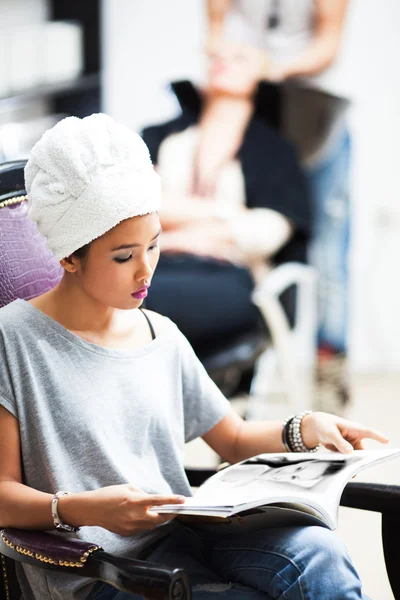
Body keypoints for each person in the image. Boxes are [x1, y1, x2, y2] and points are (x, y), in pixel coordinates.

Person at [0, 113, 388, 600]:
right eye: (124, 256)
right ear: (69, 257)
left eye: (155, 245)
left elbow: (234, 437)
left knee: (318, 554)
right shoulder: (13, 339)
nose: (146, 270)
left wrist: (304, 429)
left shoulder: (159, 333)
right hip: (98, 567)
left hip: (180, 536)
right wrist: (82, 509)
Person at [206, 0, 352, 400]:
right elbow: (215, 28)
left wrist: (267, 66)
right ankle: (244, 360)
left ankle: (329, 365)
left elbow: (328, 43)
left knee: (325, 250)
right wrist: (231, 60)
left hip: (317, 113)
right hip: (259, 107)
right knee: (249, 230)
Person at [142, 42, 310, 358]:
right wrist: (227, 214)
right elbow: (142, 206)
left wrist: (171, 231)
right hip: (155, 267)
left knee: (130, 305)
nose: (221, 62)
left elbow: (268, 230)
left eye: (239, 57)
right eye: (216, 57)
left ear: (263, 78)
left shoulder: (275, 151)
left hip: (231, 278)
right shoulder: (160, 137)